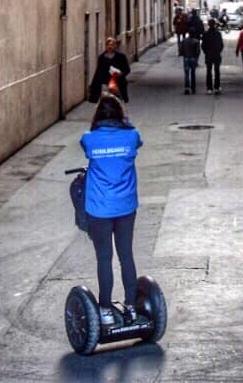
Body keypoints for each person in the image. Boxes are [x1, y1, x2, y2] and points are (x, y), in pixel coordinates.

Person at [80, 94, 143, 325]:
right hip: (126, 206)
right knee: (126, 256)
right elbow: (137, 141)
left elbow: (87, 151)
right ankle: (131, 306)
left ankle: (105, 308)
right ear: (119, 114)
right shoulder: (131, 136)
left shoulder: (89, 139)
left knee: (104, 258)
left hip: (99, 209)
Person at [89, 36, 130, 102]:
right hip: (105, 84)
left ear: (115, 45)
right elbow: (98, 72)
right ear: (105, 46)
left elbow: (127, 69)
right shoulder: (102, 57)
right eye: (108, 45)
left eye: (112, 45)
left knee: (117, 102)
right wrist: (95, 86)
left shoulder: (121, 57)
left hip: (117, 84)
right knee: (105, 101)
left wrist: (121, 74)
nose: (110, 46)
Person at [202, 20, 224, 94]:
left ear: (208, 24)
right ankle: (217, 87)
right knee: (217, 71)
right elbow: (221, 45)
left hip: (209, 55)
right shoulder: (218, 34)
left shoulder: (205, 34)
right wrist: (218, 51)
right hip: (216, 55)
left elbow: (203, 46)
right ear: (214, 25)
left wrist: (206, 52)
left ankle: (209, 88)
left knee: (209, 71)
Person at [180, 29, 201, 94]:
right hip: (193, 58)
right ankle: (193, 88)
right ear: (194, 34)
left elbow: (181, 50)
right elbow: (198, 51)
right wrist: (196, 58)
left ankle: (187, 88)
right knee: (193, 73)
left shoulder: (184, 41)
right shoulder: (196, 41)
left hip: (186, 58)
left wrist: (184, 54)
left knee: (186, 74)